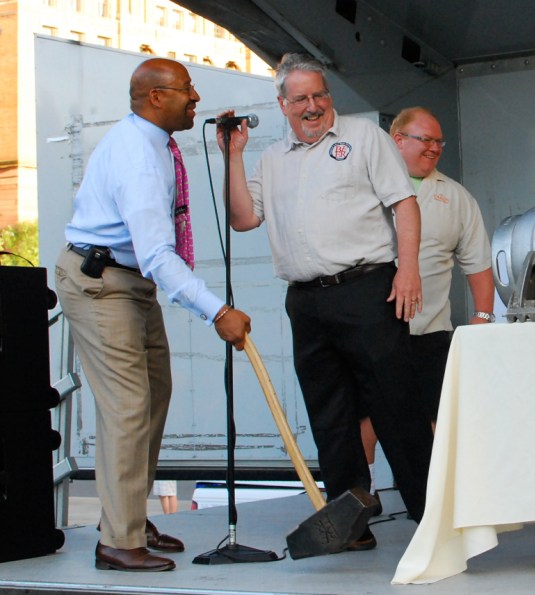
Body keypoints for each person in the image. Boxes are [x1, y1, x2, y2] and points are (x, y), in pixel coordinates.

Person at [216, 53, 433, 549]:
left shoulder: (363, 137)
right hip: (307, 301)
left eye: (320, 95)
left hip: (366, 288)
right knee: (329, 414)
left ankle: (429, 517)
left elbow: (404, 202)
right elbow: (244, 218)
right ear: (282, 105)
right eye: (301, 99)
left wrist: (409, 269)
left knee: (395, 406)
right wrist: (233, 154)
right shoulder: (272, 158)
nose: (313, 106)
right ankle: (352, 522)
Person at [55, 58, 251, 572]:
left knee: (154, 394)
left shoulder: (158, 144)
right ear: (155, 97)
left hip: (130, 282)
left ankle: (129, 520)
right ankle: (118, 540)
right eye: (187, 89)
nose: (196, 97)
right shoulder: (138, 158)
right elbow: (159, 255)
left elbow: (152, 259)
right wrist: (218, 312)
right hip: (101, 282)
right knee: (128, 405)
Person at [358, 107, 495, 498]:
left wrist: (482, 320)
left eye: (439, 142)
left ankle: (437, 502)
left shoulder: (456, 197)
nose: (435, 148)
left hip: (429, 330)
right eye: (426, 139)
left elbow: (479, 266)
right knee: (365, 417)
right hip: (370, 330)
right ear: (396, 139)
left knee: (435, 417)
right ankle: (362, 499)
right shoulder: (364, 188)